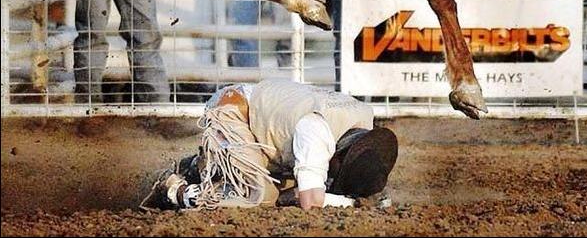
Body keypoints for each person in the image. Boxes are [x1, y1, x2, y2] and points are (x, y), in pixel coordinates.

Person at [141, 79, 398, 210]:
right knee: (259, 195)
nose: (332, 177)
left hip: (259, 119)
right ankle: (175, 190)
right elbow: (310, 201)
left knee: (283, 189)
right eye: (336, 173)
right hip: (232, 110)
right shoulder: (316, 132)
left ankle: (202, 167)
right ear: (338, 156)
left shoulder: (363, 118)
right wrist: (353, 202)